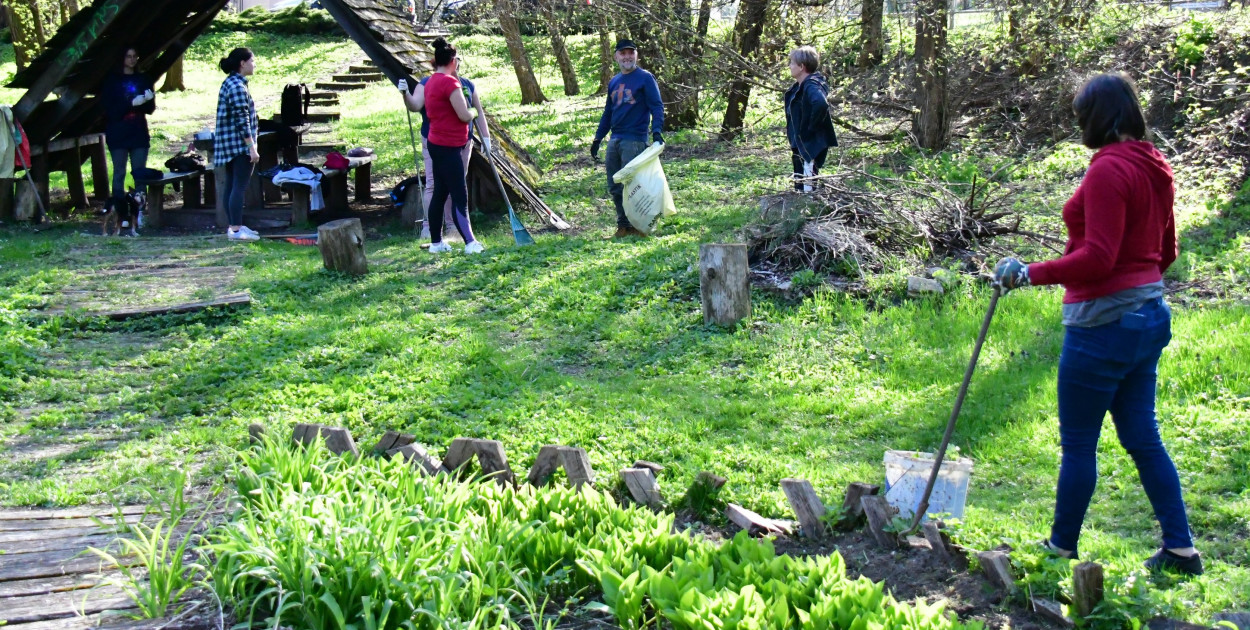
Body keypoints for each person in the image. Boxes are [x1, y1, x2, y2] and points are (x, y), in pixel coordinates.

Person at [993, 73, 1201, 575]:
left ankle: (1061, 548)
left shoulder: (1109, 169)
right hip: (1150, 314)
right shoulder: (1155, 164)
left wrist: (1029, 273)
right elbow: (1165, 251)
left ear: (1099, 117)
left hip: (1104, 323)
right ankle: (1181, 549)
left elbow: (1100, 258)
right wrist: (1139, 289)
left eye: (1081, 115)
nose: (1078, 123)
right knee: (1143, 436)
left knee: (1080, 442)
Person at [399, 38, 482, 254]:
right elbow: (464, 115)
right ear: (453, 61)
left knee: (440, 192)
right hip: (450, 147)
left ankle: (436, 243)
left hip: (436, 143)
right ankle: (470, 243)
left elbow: (419, 105)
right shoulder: (450, 83)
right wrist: (474, 112)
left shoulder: (431, 81)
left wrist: (405, 94)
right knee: (459, 194)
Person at [590, 39, 664, 239]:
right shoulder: (614, 81)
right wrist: (598, 139)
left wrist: (656, 131)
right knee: (615, 186)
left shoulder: (645, 78)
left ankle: (639, 226)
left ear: (636, 55)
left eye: (631, 53)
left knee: (634, 185)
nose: (627, 57)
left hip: (635, 139)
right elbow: (608, 113)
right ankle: (623, 226)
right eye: (623, 53)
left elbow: (657, 106)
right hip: (615, 139)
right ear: (616, 57)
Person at [101, 47, 155, 236]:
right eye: (128, 56)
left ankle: (138, 213)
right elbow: (111, 110)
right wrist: (131, 103)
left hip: (138, 131)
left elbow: (151, 108)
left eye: (134, 56)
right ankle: (120, 212)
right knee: (119, 172)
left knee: (139, 173)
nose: (132, 60)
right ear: (122, 58)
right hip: (118, 133)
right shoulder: (112, 81)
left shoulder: (143, 79)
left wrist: (146, 100)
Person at [214, 48, 261, 242]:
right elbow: (242, 120)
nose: (254, 64)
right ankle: (235, 229)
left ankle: (236, 226)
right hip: (238, 145)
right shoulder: (237, 87)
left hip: (230, 144)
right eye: (252, 60)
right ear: (242, 63)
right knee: (238, 187)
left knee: (232, 186)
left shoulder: (231, 82)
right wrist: (252, 147)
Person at [784, 46, 837, 192]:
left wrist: (810, 128)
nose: (789, 66)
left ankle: (810, 213)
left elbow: (820, 104)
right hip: (800, 144)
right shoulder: (799, 87)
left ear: (802, 66)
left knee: (808, 190)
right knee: (800, 186)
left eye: (792, 63)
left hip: (810, 145)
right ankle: (802, 212)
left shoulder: (812, 85)